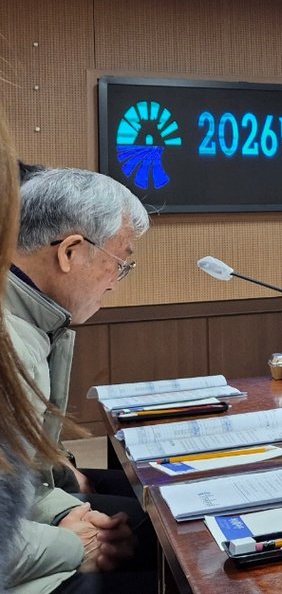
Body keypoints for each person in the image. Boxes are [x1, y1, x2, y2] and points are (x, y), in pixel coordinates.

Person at [7, 167, 154, 593]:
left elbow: (21, 482)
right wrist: (75, 544)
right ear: (70, 252)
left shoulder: (32, 324)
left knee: (154, 534)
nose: (115, 285)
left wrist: (67, 515)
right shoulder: (9, 343)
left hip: (26, 535)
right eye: (120, 264)